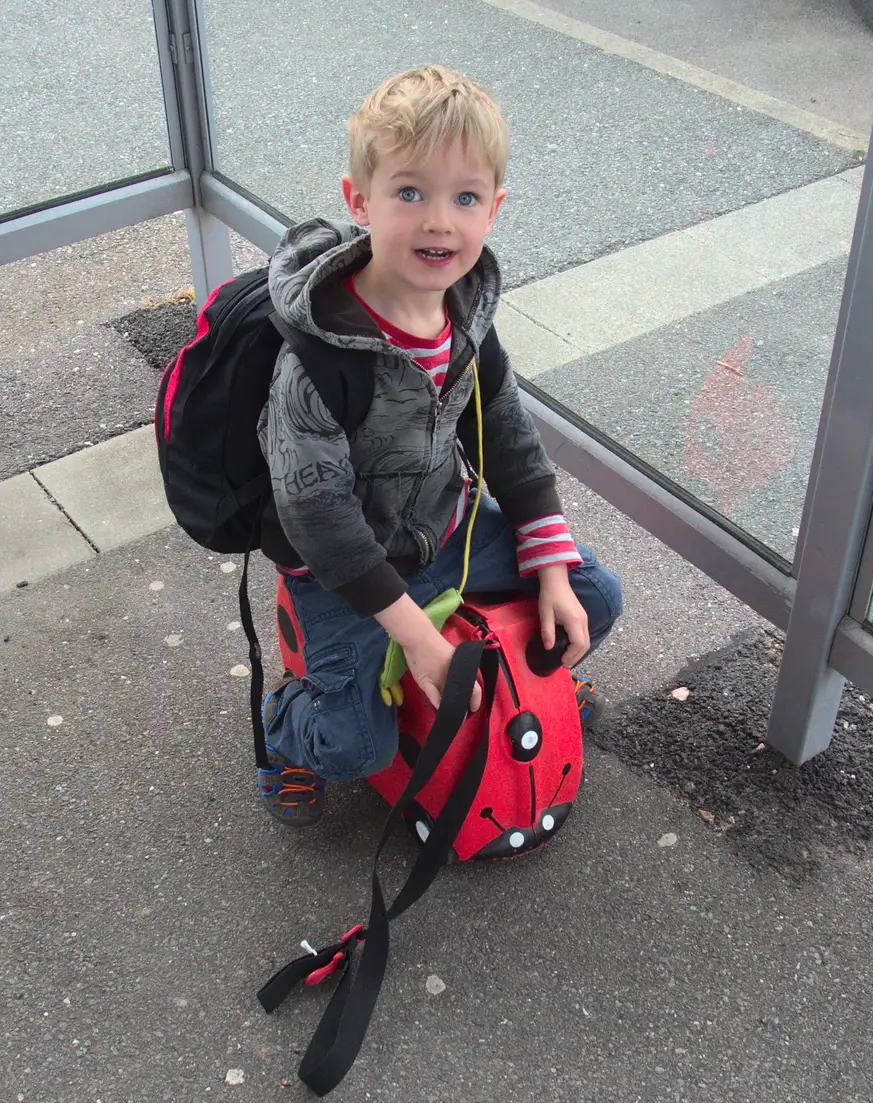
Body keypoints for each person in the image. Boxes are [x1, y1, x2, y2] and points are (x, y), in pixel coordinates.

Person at [256, 65, 623, 826]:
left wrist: (548, 570)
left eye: (465, 198)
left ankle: (517, 671)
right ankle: (287, 724)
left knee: (593, 598)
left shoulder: (464, 320)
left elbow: (511, 443)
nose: (439, 223)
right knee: (357, 746)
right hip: (344, 574)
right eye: (410, 193)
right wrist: (417, 638)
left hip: (448, 533)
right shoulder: (318, 359)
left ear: (495, 208)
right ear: (360, 200)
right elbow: (319, 516)